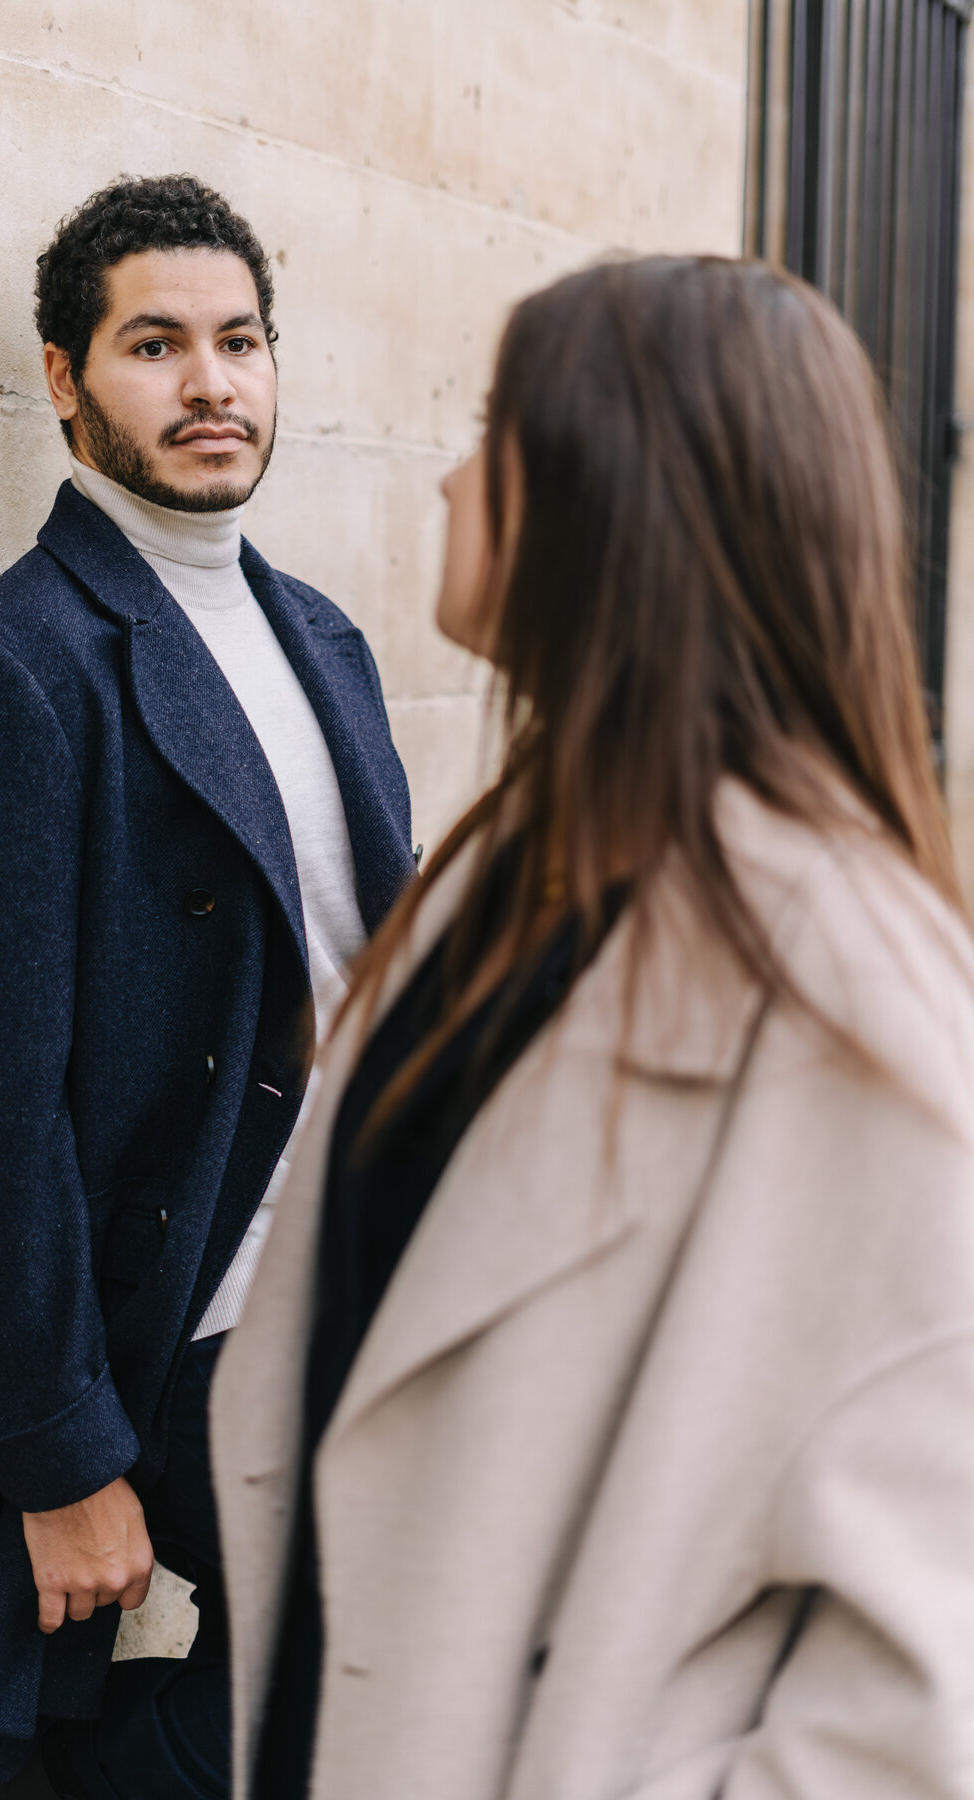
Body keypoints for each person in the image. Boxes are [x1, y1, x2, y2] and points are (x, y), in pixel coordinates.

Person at [211, 255, 974, 1800]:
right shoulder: (512, 864)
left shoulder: (842, 980)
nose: (443, 477)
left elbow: (917, 1704)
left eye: (493, 427)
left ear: (617, 492)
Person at [0, 174, 415, 1799]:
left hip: (365, 1275)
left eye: (238, 341)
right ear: (62, 378)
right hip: (192, 1332)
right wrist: (63, 1458)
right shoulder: (4, 672)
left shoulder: (325, 636)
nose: (212, 384)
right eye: (155, 345)